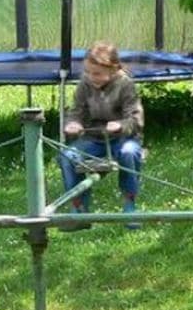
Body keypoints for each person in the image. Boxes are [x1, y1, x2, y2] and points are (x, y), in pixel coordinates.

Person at [58, 42, 144, 230]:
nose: (90, 77)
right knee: (67, 156)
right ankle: (79, 209)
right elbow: (76, 112)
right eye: (88, 72)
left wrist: (120, 125)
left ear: (112, 70)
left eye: (96, 73)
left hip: (123, 138)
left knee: (129, 153)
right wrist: (73, 123)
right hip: (94, 139)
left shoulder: (125, 84)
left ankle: (130, 206)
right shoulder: (85, 84)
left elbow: (136, 119)